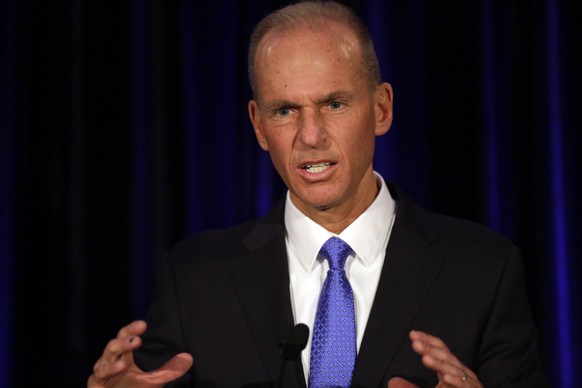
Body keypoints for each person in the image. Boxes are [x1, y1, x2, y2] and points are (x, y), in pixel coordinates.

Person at [88, 2, 547, 387]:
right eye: (285, 110)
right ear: (258, 126)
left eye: (334, 104)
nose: (310, 136)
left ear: (381, 108)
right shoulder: (195, 278)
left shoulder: (483, 270)